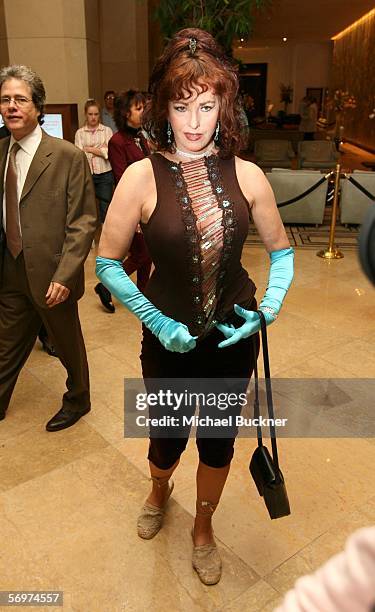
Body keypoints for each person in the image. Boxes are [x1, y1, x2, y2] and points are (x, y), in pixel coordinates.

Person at [96, 29, 294, 585]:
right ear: (164, 108)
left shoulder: (248, 175)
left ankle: (203, 527)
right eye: (182, 106)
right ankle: (159, 489)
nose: (193, 121)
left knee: (216, 439)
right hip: (165, 340)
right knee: (165, 435)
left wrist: (269, 306)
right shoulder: (140, 174)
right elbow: (107, 263)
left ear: (223, 105)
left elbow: (282, 252)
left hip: (233, 337)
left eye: (206, 106)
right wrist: (156, 319)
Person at [0, 65, 97, 431]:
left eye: (20, 99)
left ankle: (79, 398)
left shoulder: (67, 156)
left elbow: (84, 221)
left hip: (53, 274)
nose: (11, 106)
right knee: (6, 344)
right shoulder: (0, 153)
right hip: (11, 269)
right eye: (5, 99)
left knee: (67, 344)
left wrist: (66, 274)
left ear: (38, 107)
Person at [94, 90, 152, 313]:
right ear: (126, 113)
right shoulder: (117, 141)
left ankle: (144, 296)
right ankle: (105, 286)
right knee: (141, 254)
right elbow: (121, 177)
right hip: (132, 207)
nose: (143, 111)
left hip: (148, 204)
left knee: (147, 254)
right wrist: (135, 212)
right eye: (139, 108)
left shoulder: (141, 137)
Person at [75, 99, 114, 224]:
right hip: (87, 174)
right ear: (85, 114)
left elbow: (109, 153)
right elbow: (80, 156)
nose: (93, 117)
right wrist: (100, 149)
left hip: (105, 174)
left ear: (99, 115)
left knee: (105, 206)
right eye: (90, 114)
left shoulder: (107, 131)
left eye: (96, 114)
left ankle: (105, 235)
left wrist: (89, 149)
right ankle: (90, 237)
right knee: (88, 207)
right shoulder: (79, 133)